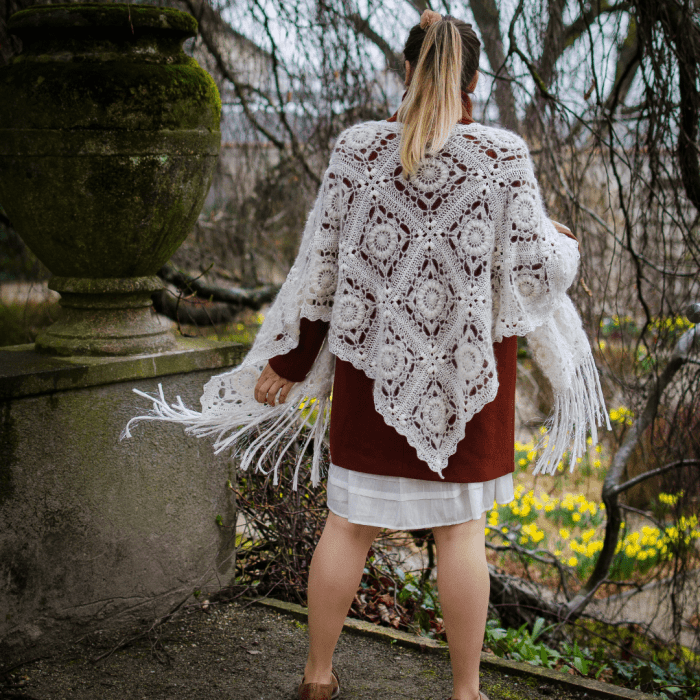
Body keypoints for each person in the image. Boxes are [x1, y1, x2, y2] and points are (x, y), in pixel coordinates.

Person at [123, 9, 609, 700]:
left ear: (407, 70)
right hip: (467, 384)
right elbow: (539, 267)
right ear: (474, 79)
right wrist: (563, 239)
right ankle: (466, 692)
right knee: (461, 534)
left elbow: (321, 275)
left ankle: (317, 678)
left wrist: (292, 362)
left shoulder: (359, 151)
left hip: (372, 376)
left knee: (348, 527)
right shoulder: (502, 158)